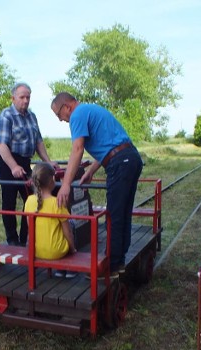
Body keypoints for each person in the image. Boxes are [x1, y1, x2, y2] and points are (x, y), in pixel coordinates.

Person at [51, 92, 143, 276]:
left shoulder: (77, 114)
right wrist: (91, 171)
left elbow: (77, 149)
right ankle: (120, 260)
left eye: (59, 115)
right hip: (130, 158)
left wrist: (66, 184)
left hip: (120, 163)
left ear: (67, 107)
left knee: (114, 215)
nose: (62, 120)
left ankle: (112, 265)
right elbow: (109, 146)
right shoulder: (90, 110)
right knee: (123, 213)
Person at [0, 82, 53, 246]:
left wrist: (48, 162)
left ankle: (25, 237)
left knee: (32, 197)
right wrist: (13, 166)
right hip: (8, 160)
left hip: (25, 161)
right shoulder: (6, 116)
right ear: (13, 98)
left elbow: (39, 142)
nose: (26, 101)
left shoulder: (32, 116)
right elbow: (1, 145)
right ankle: (12, 239)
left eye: (28, 97)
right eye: (22, 97)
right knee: (9, 200)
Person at [24, 162, 76, 278]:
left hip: (36, 251)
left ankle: (59, 270)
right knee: (71, 224)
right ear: (53, 179)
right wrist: (72, 249)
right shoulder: (57, 202)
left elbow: (30, 228)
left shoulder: (29, 200)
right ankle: (70, 269)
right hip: (56, 252)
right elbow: (67, 232)